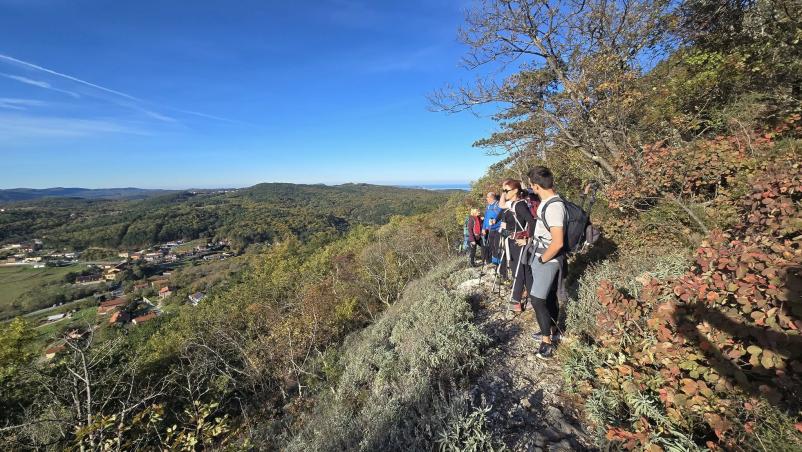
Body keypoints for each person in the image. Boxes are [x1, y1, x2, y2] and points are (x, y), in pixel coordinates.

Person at [527, 166, 565, 360]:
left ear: (536, 186)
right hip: (543, 255)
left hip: (547, 257)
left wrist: (542, 259)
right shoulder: (550, 202)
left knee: (537, 299)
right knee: (548, 296)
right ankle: (553, 329)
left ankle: (546, 342)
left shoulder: (554, 207)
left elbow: (558, 242)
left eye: (532, 186)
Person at [500, 179, 535, 312]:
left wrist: (528, 240)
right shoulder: (512, 203)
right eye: (503, 190)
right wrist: (504, 191)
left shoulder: (519, 205)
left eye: (506, 190)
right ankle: (532, 298)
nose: (504, 193)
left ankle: (515, 302)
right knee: (525, 270)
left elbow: (532, 222)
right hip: (513, 241)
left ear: (515, 191)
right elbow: (502, 204)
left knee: (518, 271)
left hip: (518, 242)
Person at [482, 192, 502, 266]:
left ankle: (498, 262)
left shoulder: (498, 205)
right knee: (491, 245)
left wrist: (496, 223)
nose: (486, 199)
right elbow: (486, 218)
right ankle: (493, 261)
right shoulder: (488, 207)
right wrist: (484, 228)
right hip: (490, 229)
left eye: (487, 197)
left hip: (498, 229)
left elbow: (502, 217)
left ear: (491, 197)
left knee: (497, 245)